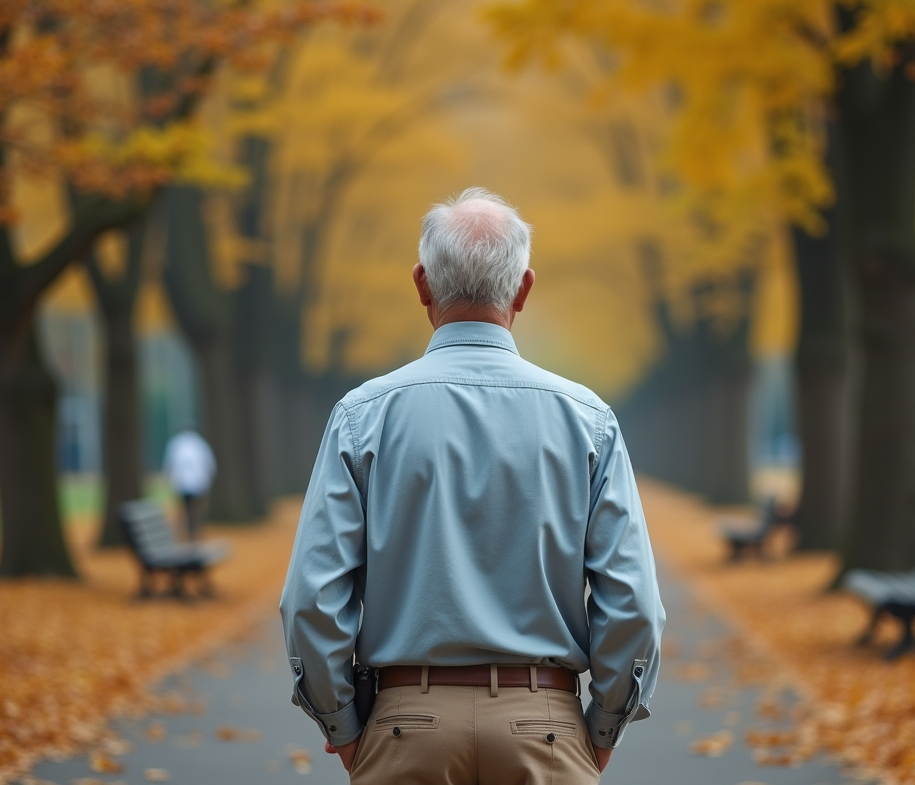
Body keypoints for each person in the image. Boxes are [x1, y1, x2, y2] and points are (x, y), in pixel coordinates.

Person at [280, 187, 665, 784]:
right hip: (547, 725)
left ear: (422, 285)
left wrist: (344, 727)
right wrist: (602, 727)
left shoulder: (363, 417)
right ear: (524, 288)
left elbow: (312, 598)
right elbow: (633, 604)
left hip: (405, 727)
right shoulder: (588, 421)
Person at [162, 427, 216, 540]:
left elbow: (169, 463)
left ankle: (188, 530)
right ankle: (193, 531)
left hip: (182, 483)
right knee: (195, 508)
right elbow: (210, 464)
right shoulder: (200, 443)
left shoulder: (176, 443)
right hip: (198, 483)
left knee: (185, 508)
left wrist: (168, 478)